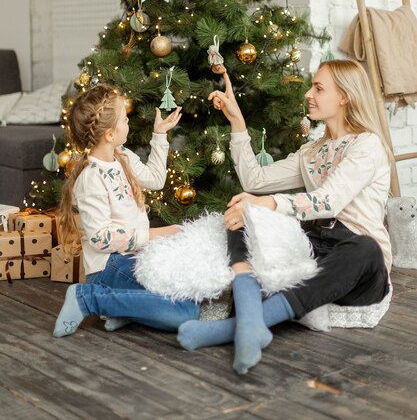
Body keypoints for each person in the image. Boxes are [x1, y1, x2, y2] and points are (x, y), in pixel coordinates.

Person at [177, 60, 392, 375]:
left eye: (319, 88)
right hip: (315, 249)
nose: (308, 94)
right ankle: (252, 322)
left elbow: (329, 201)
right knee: (242, 210)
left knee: (365, 248)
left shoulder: (367, 145)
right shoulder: (313, 151)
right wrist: (237, 122)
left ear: (344, 96)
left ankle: (238, 327)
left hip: (358, 266)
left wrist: (269, 203)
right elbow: (255, 181)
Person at [53, 83, 200, 338]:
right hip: (108, 267)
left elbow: (155, 179)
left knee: (186, 290)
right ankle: (88, 298)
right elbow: (101, 238)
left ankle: (123, 309)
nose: (128, 123)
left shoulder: (123, 156)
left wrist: (160, 135)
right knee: (186, 311)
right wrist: (157, 234)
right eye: (125, 119)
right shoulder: (90, 178)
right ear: (109, 134)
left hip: (132, 258)